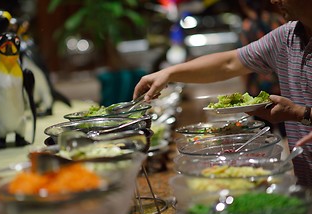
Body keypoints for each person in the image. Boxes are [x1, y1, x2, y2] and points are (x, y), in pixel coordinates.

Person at [133, 0, 312, 186]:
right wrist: (169, 74)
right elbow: (229, 63)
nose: (274, 0)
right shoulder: (287, 36)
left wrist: (300, 114)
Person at [238, 0, 286, 137]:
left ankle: (270, 158)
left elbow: (244, 64)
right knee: (288, 129)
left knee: (264, 134)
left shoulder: (247, 27)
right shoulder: (278, 20)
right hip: (280, 83)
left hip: (258, 88)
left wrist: (244, 89)